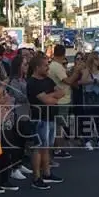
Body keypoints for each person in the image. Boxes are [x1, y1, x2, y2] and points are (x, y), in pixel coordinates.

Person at [27, 55, 65, 189]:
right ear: (37, 68)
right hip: (39, 118)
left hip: (50, 117)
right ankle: (37, 176)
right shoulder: (32, 82)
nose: (48, 68)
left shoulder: (48, 80)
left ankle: (47, 172)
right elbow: (48, 101)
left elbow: (61, 92)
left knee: (47, 146)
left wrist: (50, 96)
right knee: (38, 147)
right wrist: (51, 97)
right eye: (45, 65)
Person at [48, 44, 80, 158]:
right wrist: (76, 71)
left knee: (59, 126)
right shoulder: (56, 66)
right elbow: (68, 81)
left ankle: (57, 148)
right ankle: (57, 149)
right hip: (61, 100)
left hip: (61, 99)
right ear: (63, 54)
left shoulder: (56, 65)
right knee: (59, 126)